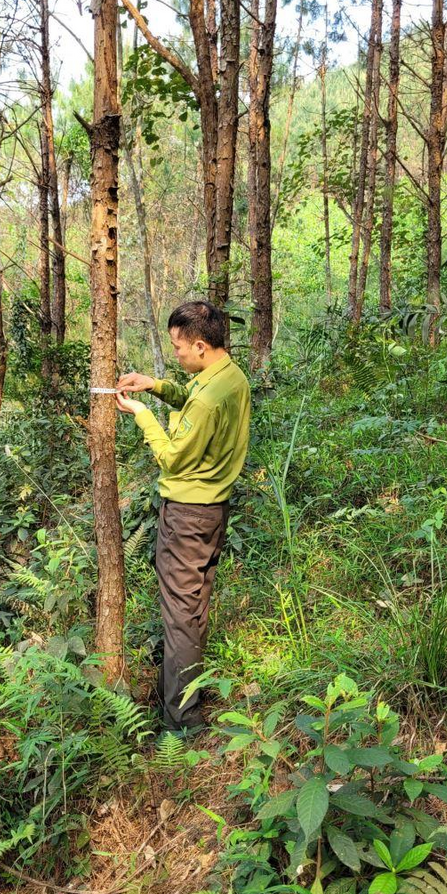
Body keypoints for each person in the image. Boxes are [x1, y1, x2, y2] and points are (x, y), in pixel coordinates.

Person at [116, 300, 251, 733]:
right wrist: (154, 386)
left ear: (199, 345)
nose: (175, 354)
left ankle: (181, 722)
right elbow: (191, 399)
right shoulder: (228, 376)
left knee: (180, 616)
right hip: (211, 510)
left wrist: (142, 417)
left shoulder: (210, 398)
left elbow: (172, 458)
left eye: (177, 348)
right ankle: (183, 700)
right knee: (192, 610)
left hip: (189, 516)